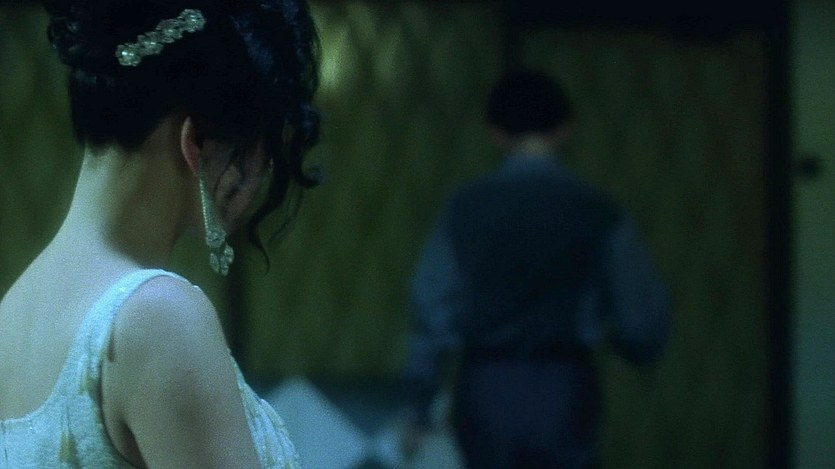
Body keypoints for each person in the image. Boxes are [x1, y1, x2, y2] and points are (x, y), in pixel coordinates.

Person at [0, 0, 320, 467]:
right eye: (260, 152)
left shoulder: (12, 315)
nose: (260, 176)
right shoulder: (160, 319)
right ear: (197, 142)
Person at [401, 70, 671, 468]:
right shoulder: (597, 210)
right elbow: (640, 320)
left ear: (495, 133)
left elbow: (432, 306)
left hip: (486, 385)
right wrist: (628, 346)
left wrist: (420, 403)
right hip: (564, 385)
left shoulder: (466, 208)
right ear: (565, 129)